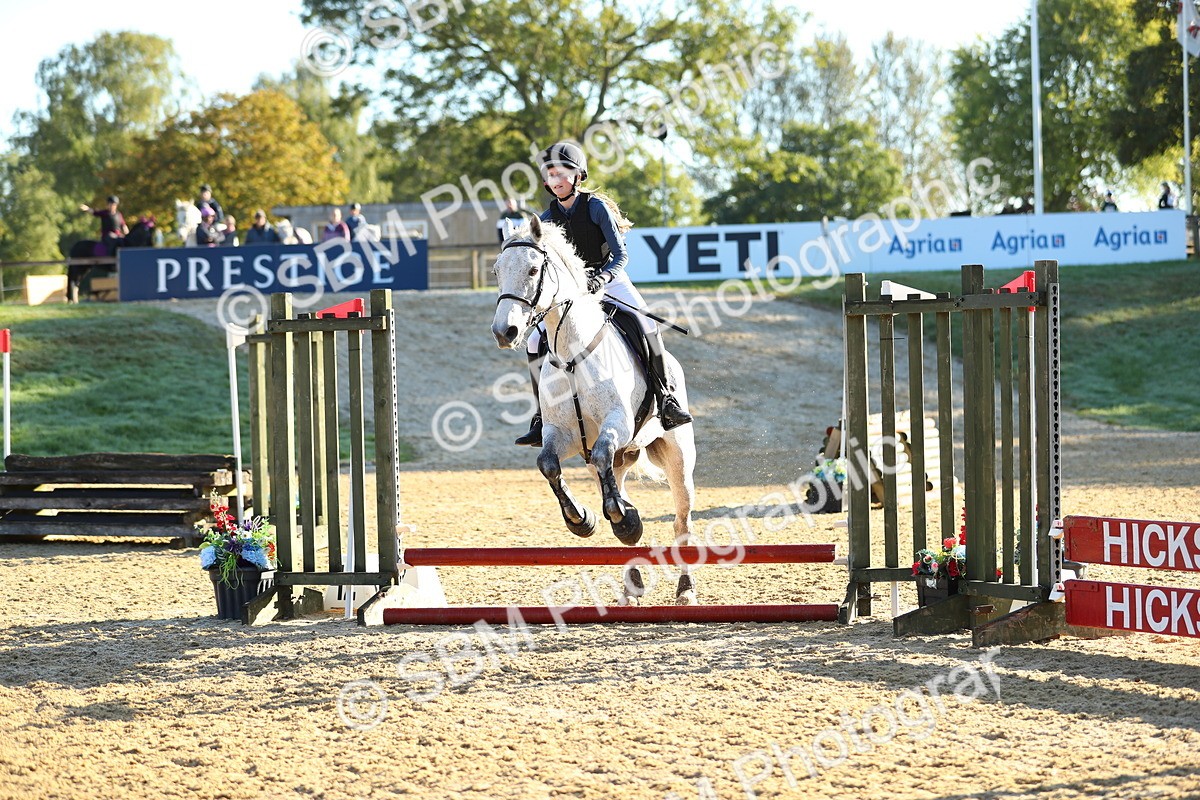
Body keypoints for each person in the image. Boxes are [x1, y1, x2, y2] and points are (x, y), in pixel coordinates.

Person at [514, 140, 692, 447]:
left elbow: (621, 255)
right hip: (573, 291)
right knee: (533, 340)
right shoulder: (545, 220)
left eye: (563, 173)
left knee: (648, 324)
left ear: (578, 175)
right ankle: (540, 416)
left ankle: (665, 399)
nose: (557, 180)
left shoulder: (595, 208)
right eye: (551, 174)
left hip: (610, 279)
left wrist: (602, 278)